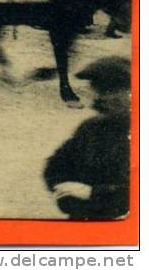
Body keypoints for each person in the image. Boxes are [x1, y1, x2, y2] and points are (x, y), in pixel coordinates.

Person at [44, 56, 130, 220]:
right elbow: (56, 166)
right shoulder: (91, 128)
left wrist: (92, 193)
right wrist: (66, 189)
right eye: (97, 90)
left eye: (110, 90)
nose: (100, 98)